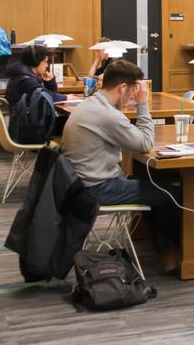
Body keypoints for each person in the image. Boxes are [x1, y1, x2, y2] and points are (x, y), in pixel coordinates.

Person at [61, 60, 181, 273]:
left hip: (80, 185)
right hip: (97, 189)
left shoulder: (91, 104)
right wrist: (143, 105)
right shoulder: (107, 115)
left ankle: (167, 253)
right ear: (123, 88)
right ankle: (178, 252)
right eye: (134, 92)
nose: (133, 98)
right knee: (170, 194)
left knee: (154, 190)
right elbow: (145, 143)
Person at [5, 44, 73, 106]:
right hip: (27, 118)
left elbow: (49, 98)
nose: (46, 65)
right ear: (36, 61)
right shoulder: (25, 80)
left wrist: (50, 82)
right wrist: (66, 97)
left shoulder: (24, 74)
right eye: (45, 62)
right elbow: (47, 96)